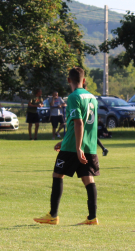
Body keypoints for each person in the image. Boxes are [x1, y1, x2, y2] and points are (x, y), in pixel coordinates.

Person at [34, 67, 100, 225]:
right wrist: (65, 141)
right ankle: (92, 217)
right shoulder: (92, 97)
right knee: (88, 178)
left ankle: (53, 215)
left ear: (69, 80)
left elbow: (78, 122)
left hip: (73, 147)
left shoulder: (73, 97)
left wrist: (76, 148)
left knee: (57, 175)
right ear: (84, 80)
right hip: (89, 146)